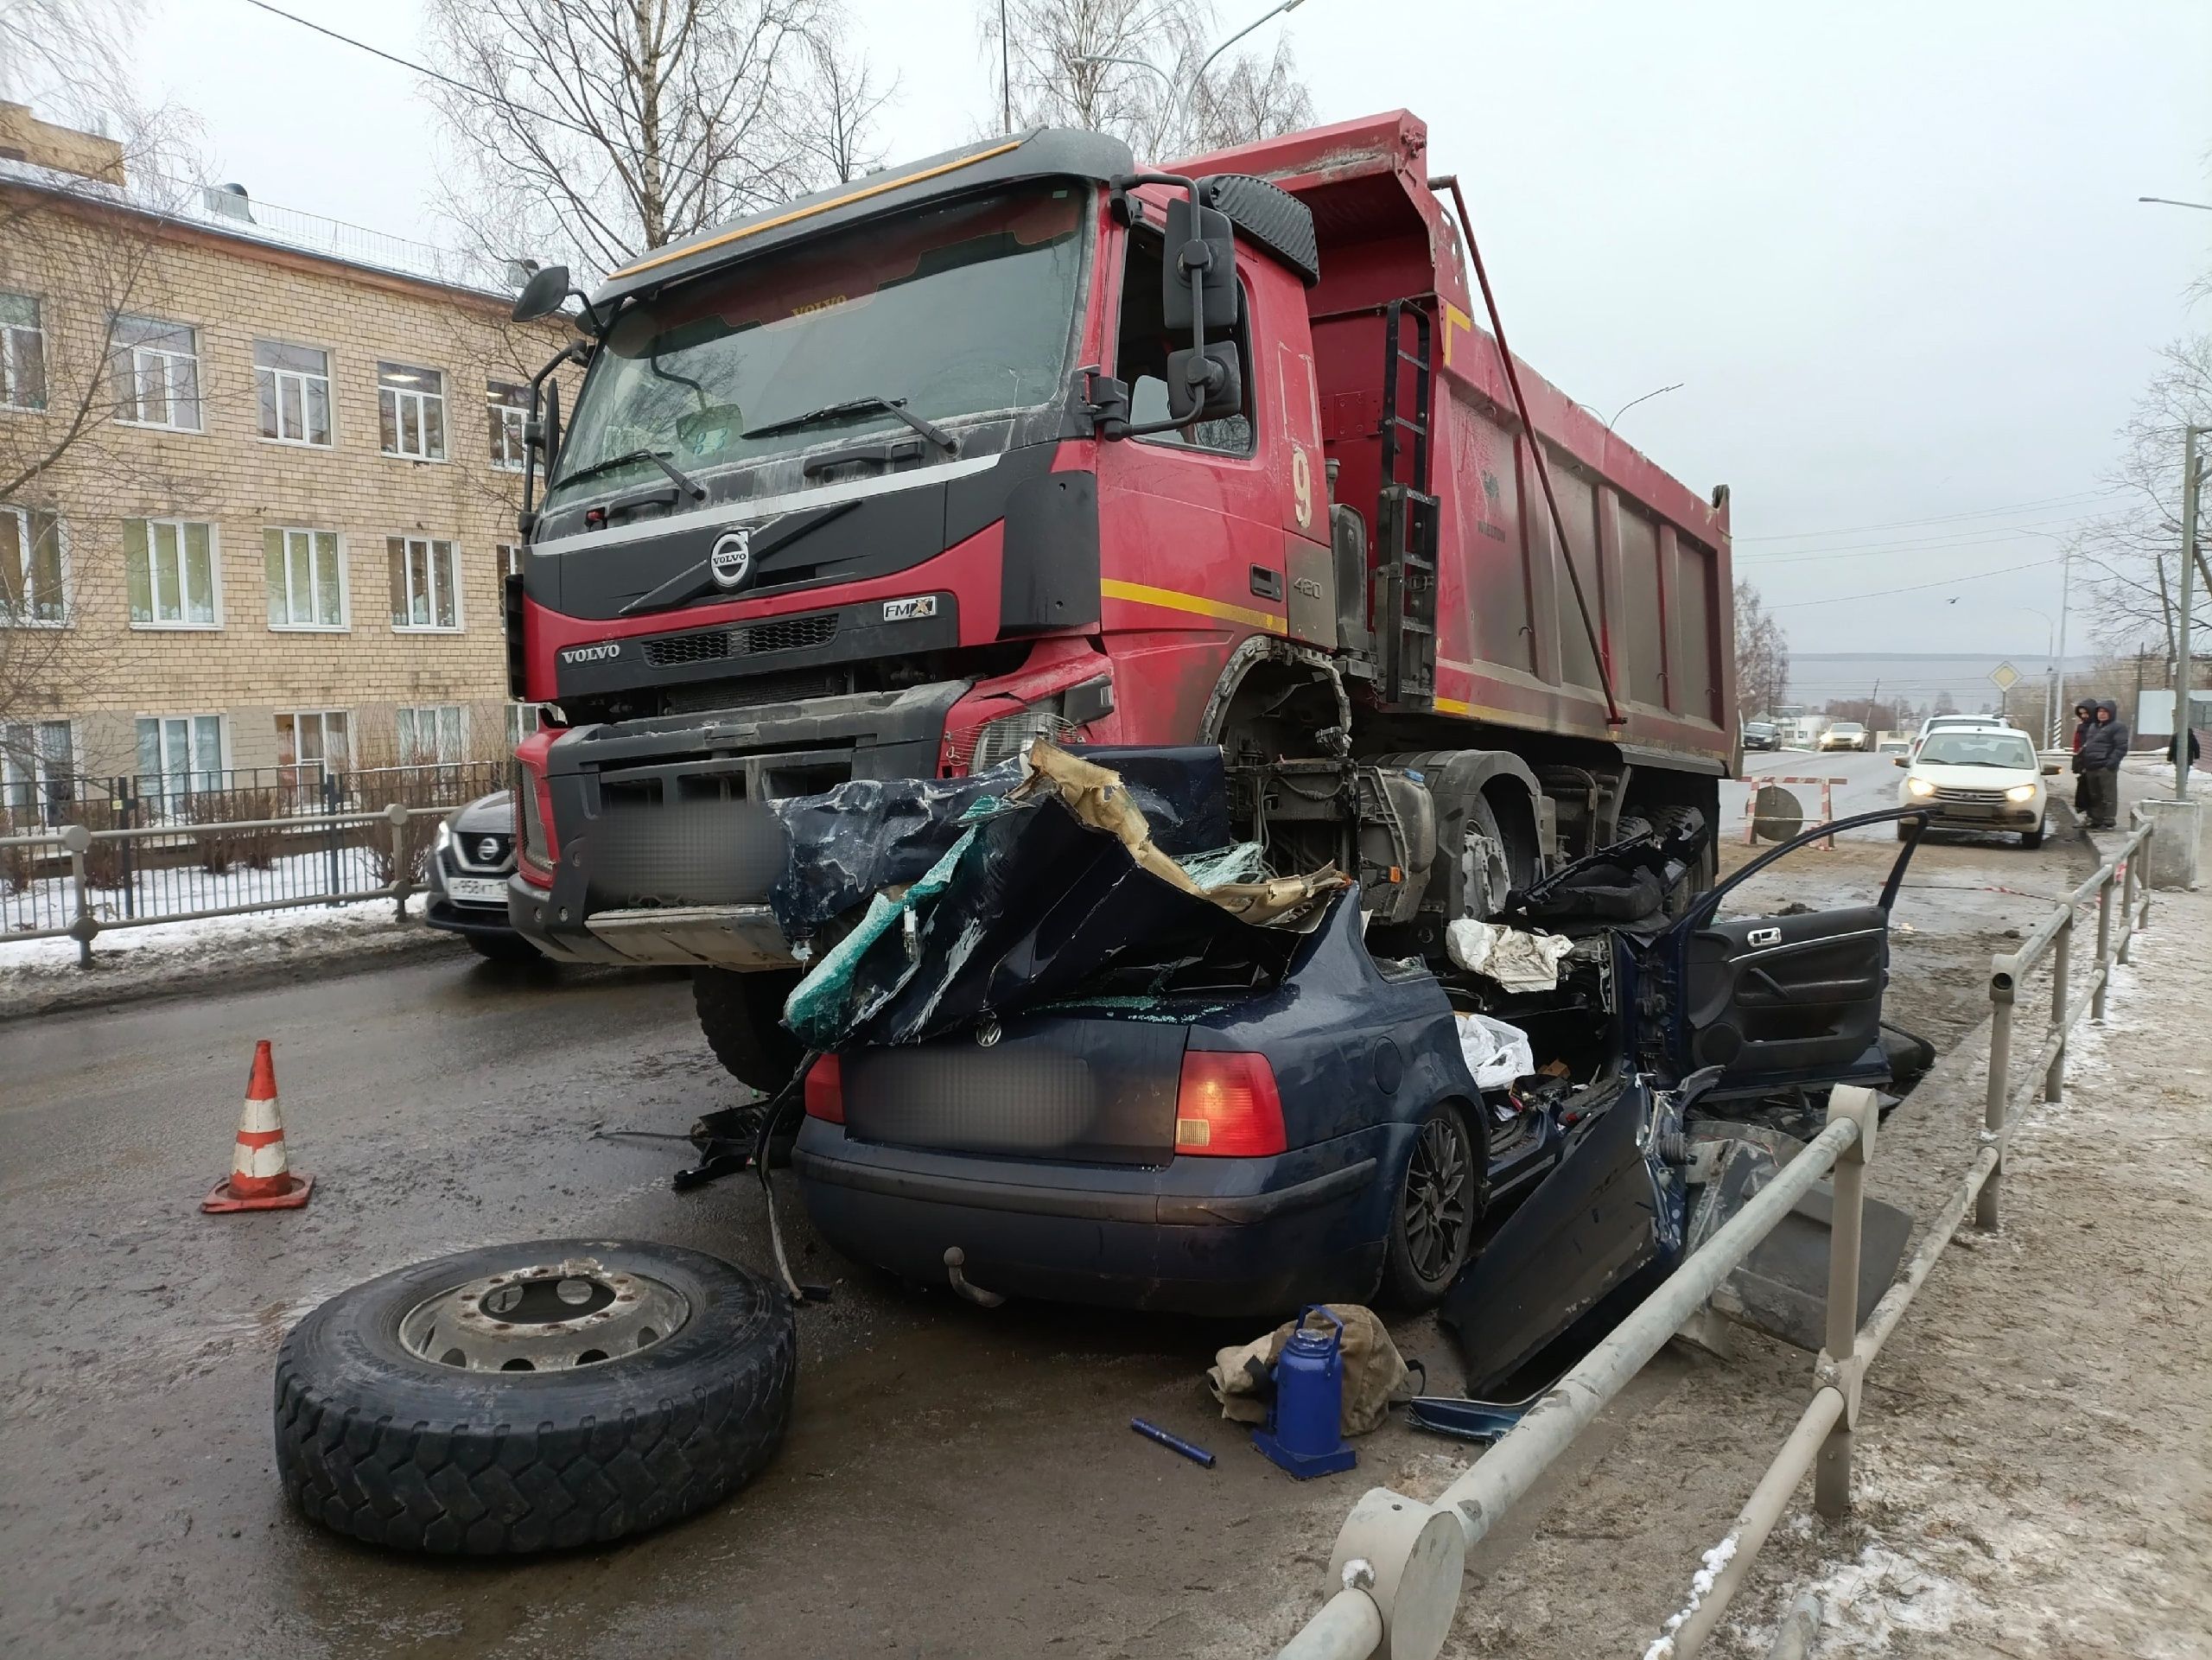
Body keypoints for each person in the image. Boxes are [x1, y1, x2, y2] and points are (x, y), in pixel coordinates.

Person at [2073, 698, 2129, 830]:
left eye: (2105, 711)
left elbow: (2121, 747)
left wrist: (2111, 763)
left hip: (2105, 766)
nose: (2102, 714)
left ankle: (2108, 820)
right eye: (2099, 711)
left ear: (2111, 713)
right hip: (2091, 766)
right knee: (2094, 795)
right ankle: (2096, 819)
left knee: (2108, 795)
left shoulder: (2117, 727)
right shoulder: (2093, 727)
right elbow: (2088, 746)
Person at [2069, 698, 2098, 816]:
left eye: (2086, 713)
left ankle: (2095, 816)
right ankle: (2088, 814)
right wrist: (2077, 761)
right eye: (2081, 714)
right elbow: (2076, 745)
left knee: (2094, 791)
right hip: (2083, 761)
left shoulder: (2097, 726)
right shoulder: (2081, 727)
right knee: (2085, 789)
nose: (2084, 716)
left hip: (2095, 762)